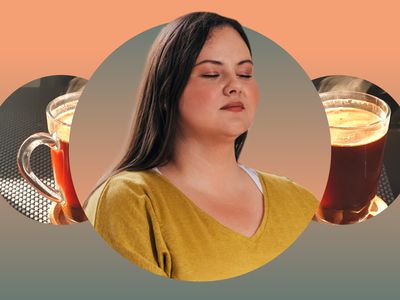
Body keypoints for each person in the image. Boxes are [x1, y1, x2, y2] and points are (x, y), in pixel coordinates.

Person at [84, 12, 318, 281]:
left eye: (245, 73)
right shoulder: (128, 200)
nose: (235, 86)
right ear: (165, 93)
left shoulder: (299, 199)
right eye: (211, 74)